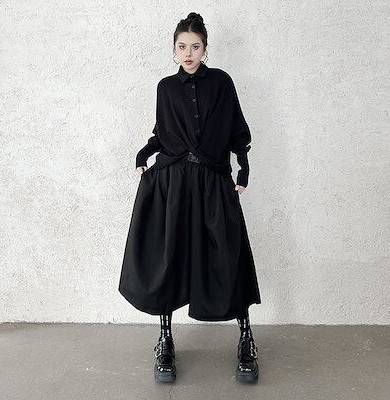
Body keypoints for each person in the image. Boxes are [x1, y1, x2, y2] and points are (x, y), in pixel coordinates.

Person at [118, 12, 261, 383]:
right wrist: (143, 155)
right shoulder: (165, 88)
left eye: (195, 46)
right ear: (174, 49)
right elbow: (162, 134)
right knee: (169, 256)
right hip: (174, 182)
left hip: (213, 180)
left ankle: (246, 337)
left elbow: (237, 131)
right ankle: (165, 340)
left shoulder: (222, 82)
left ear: (205, 48)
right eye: (182, 46)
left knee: (229, 256)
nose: (188, 53)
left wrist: (243, 170)